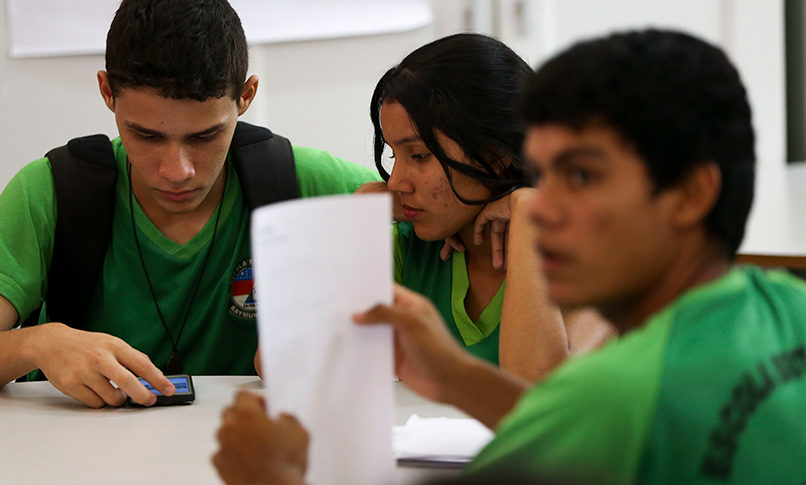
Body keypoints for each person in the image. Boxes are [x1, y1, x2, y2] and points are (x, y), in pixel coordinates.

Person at [213, 29, 806, 484]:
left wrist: (279, 478)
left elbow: (556, 425)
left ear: (688, 194)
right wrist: (455, 375)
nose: (543, 205)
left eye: (578, 176)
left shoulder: (623, 388)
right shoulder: (788, 306)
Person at [0, 0, 379, 409]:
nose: (177, 170)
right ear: (107, 92)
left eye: (204, 136)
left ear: (246, 96)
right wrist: (39, 343)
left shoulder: (302, 182)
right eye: (146, 135)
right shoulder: (52, 190)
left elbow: (435, 203)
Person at [355, 33, 614, 380]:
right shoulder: (410, 242)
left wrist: (526, 210)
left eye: (418, 155)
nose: (396, 181)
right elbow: (290, 364)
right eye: (393, 154)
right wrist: (352, 219)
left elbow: (536, 390)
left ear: (496, 154)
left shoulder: (593, 254)